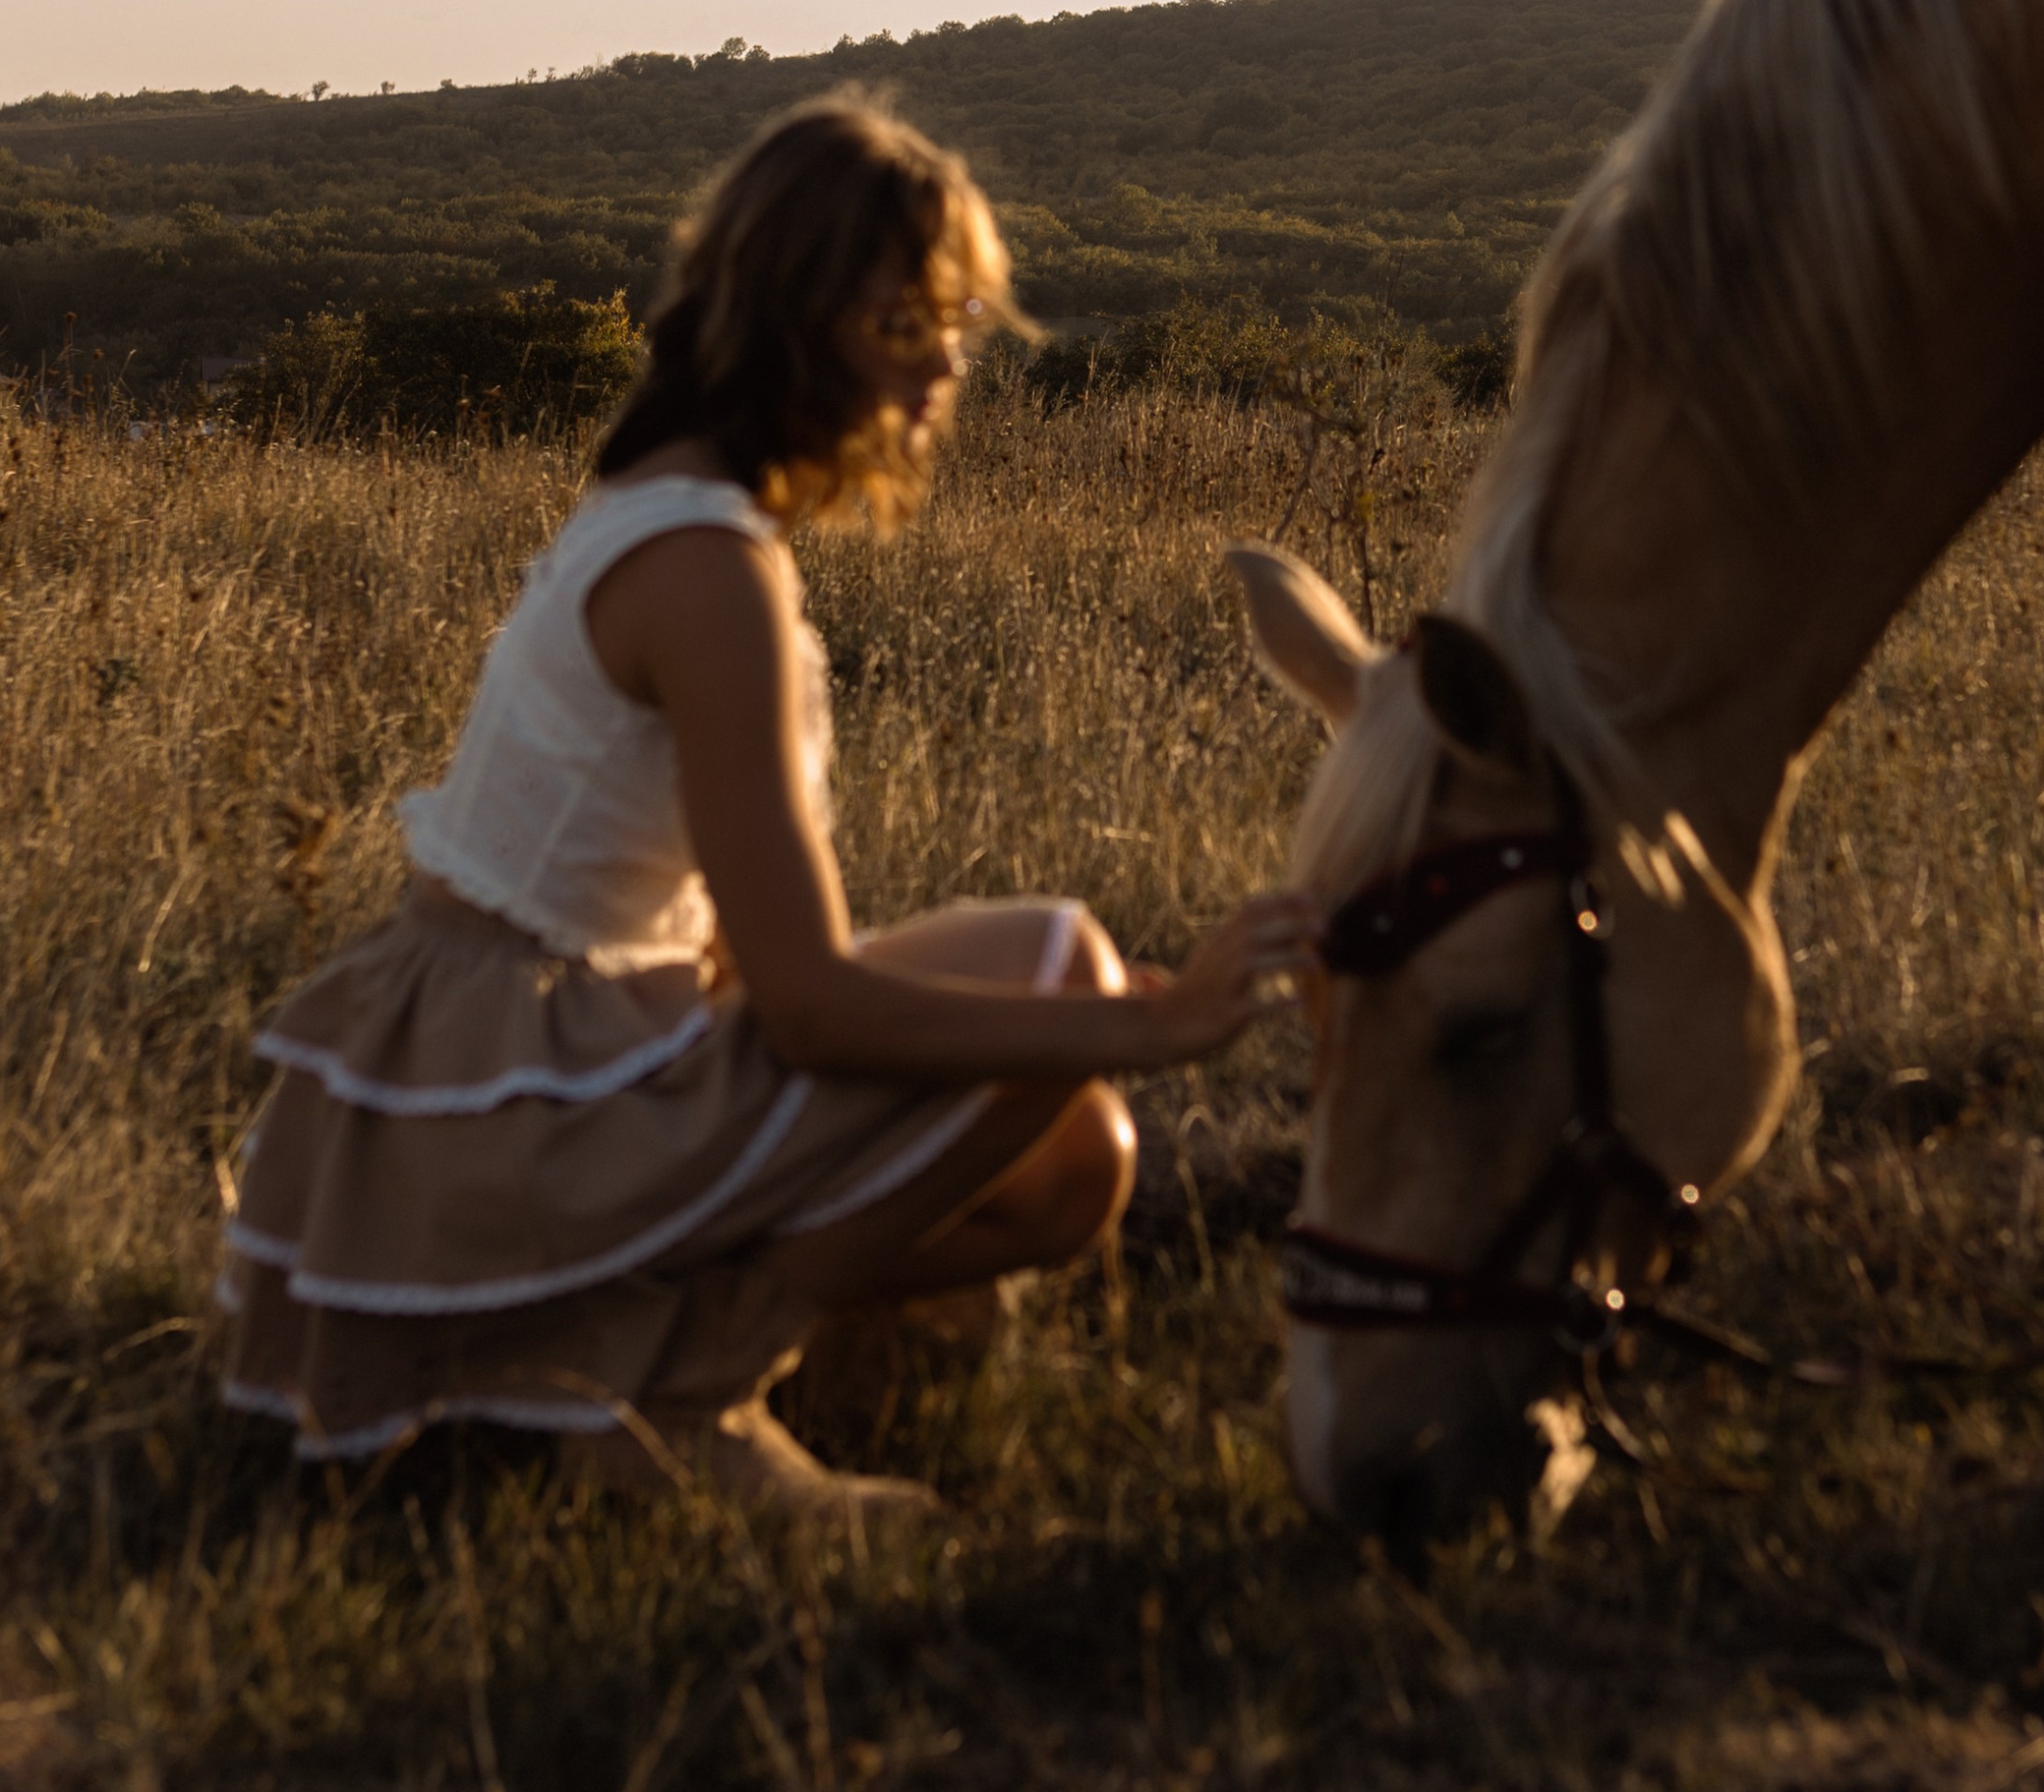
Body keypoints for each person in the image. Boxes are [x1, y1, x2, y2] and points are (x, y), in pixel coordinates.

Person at [217, 91, 1318, 1515]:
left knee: (1080, 1162)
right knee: (1060, 962)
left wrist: (1073, 1050)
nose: (938, 375)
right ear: (791, 323)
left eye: (954, 328)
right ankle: (681, 1405)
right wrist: (1149, 1025)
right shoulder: (708, 566)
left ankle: (589, 1355)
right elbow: (809, 1005)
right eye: (898, 327)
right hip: (520, 1092)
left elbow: (747, 960)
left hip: (564, 1048)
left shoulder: (670, 505)